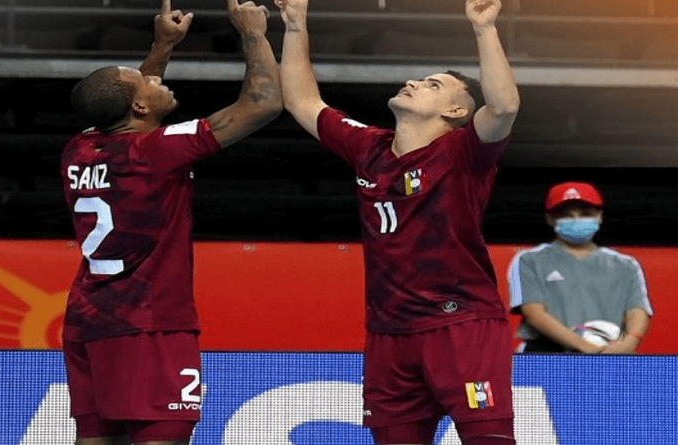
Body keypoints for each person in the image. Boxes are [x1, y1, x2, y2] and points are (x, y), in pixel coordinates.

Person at [275, 0, 519, 444]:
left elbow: (502, 108)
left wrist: (485, 29)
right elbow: (301, 101)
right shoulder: (368, 147)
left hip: (460, 323)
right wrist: (294, 25)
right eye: (418, 79)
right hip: (388, 333)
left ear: (455, 113)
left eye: (432, 85)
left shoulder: (464, 152)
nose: (413, 82)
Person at [61, 0, 281, 443]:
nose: (155, 78)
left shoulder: (79, 148)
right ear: (141, 106)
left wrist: (163, 46)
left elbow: (123, 107)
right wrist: (253, 32)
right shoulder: (158, 151)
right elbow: (263, 103)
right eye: (146, 81)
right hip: (150, 325)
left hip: (88, 320)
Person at [508, 181, 653, 354]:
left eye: (585, 214)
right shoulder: (529, 260)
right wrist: (585, 347)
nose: (576, 220)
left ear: (600, 216)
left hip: (610, 352)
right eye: (566, 215)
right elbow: (534, 313)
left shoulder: (626, 265)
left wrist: (629, 343)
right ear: (550, 219)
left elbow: (637, 309)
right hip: (546, 354)